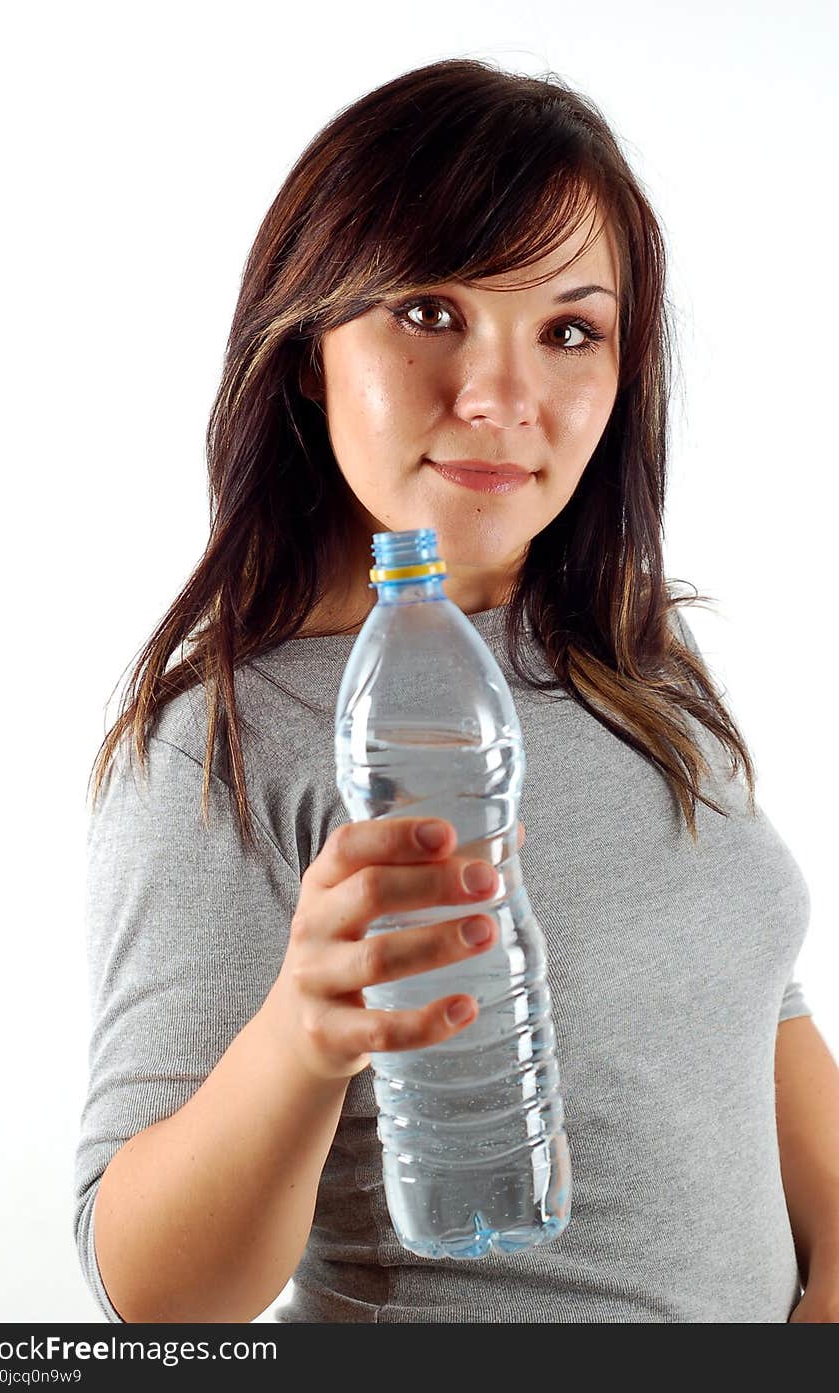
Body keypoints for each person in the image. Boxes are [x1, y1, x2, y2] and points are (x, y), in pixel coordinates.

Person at [74, 57, 836, 1324]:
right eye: (430, 312)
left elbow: (754, 1010)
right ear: (308, 345)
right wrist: (304, 1037)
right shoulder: (224, 743)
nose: (499, 399)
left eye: (570, 331)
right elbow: (154, 1300)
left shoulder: (629, 660)